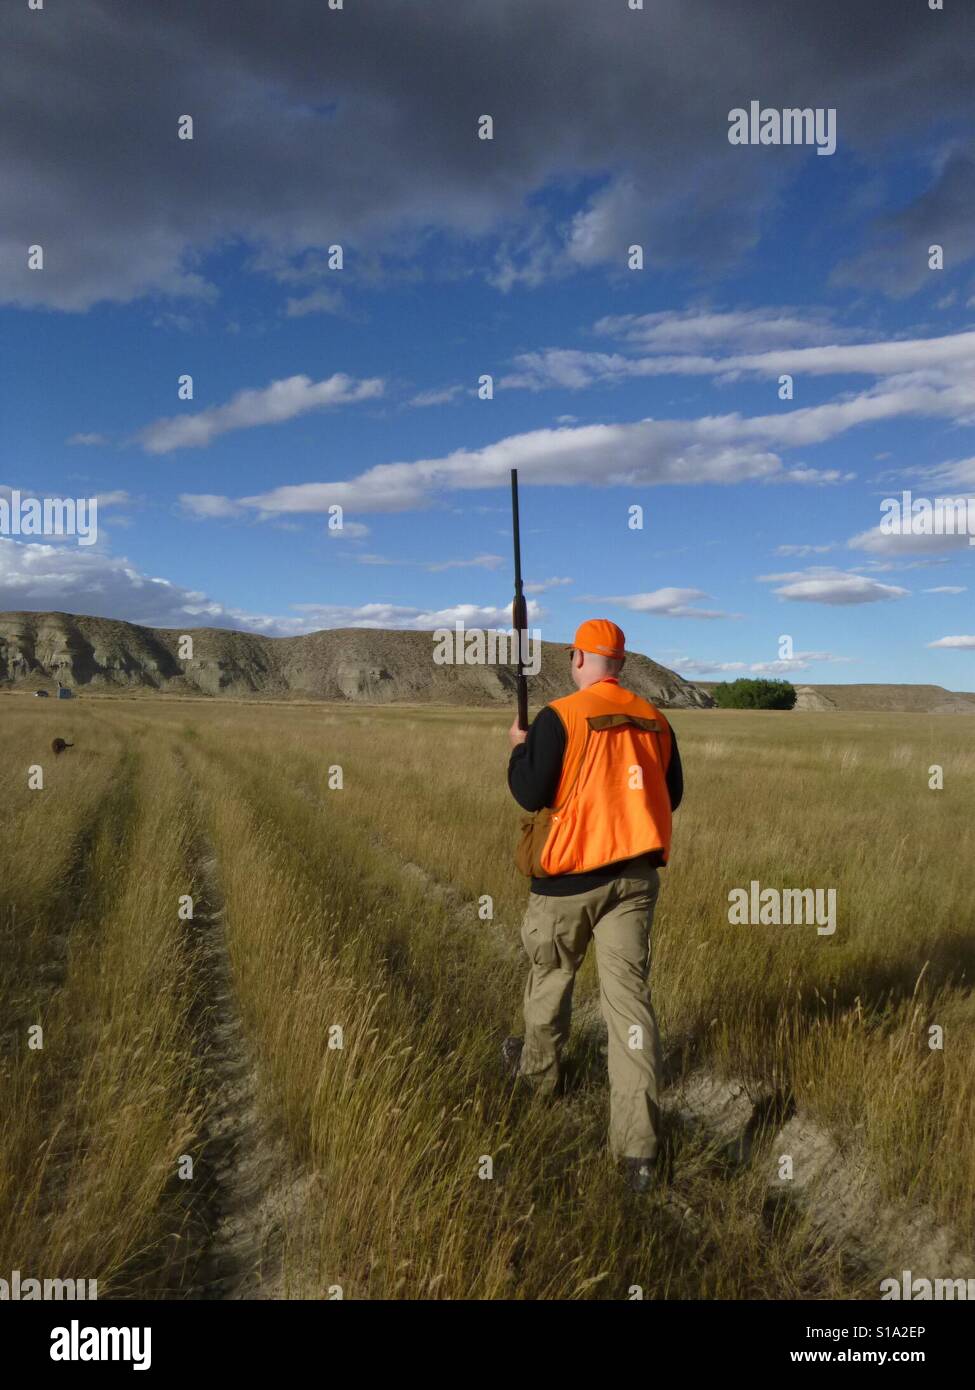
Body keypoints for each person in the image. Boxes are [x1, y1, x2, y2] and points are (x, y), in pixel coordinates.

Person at [505, 618, 683, 1192]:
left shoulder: (562, 715)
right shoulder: (655, 720)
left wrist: (521, 751)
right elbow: (669, 792)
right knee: (630, 1009)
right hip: (635, 881)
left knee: (551, 981)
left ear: (581, 659)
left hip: (569, 883)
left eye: (574, 655)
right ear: (622, 663)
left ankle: (539, 1082)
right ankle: (638, 1154)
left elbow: (530, 792)